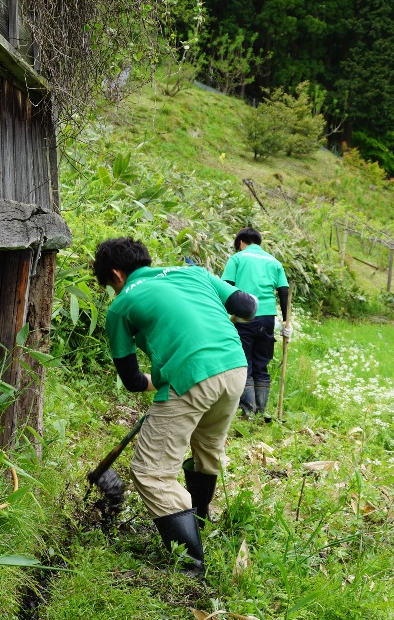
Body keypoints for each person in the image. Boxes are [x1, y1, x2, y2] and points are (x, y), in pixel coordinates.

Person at [94, 237, 257, 576]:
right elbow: (247, 306)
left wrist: (172, 376)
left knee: (151, 473)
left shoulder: (122, 305)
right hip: (235, 369)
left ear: (116, 275)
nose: (113, 291)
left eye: (110, 285)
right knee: (208, 449)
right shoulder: (193, 274)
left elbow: (133, 381)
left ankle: (190, 568)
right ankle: (199, 519)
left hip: (191, 377)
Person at [221, 228, 291, 420]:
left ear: (242, 242)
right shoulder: (274, 261)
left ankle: (248, 411)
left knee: (244, 363)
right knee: (262, 363)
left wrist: (224, 314)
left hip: (244, 316)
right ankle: (261, 411)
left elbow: (226, 286)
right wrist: (286, 321)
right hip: (268, 318)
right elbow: (284, 291)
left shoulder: (238, 258)